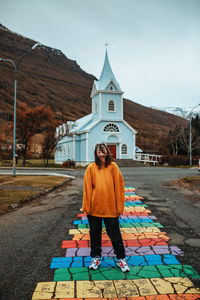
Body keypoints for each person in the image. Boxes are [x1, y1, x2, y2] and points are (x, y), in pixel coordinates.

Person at [81, 143, 130, 272]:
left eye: (103, 151)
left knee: (115, 234)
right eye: (99, 151)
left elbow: (119, 188)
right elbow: (87, 189)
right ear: (96, 153)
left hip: (110, 208)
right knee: (95, 234)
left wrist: (119, 208)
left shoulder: (113, 167)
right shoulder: (91, 168)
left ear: (107, 152)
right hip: (94, 209)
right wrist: (87, 207)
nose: (101, 153)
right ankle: (96, 257)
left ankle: (121, 259)